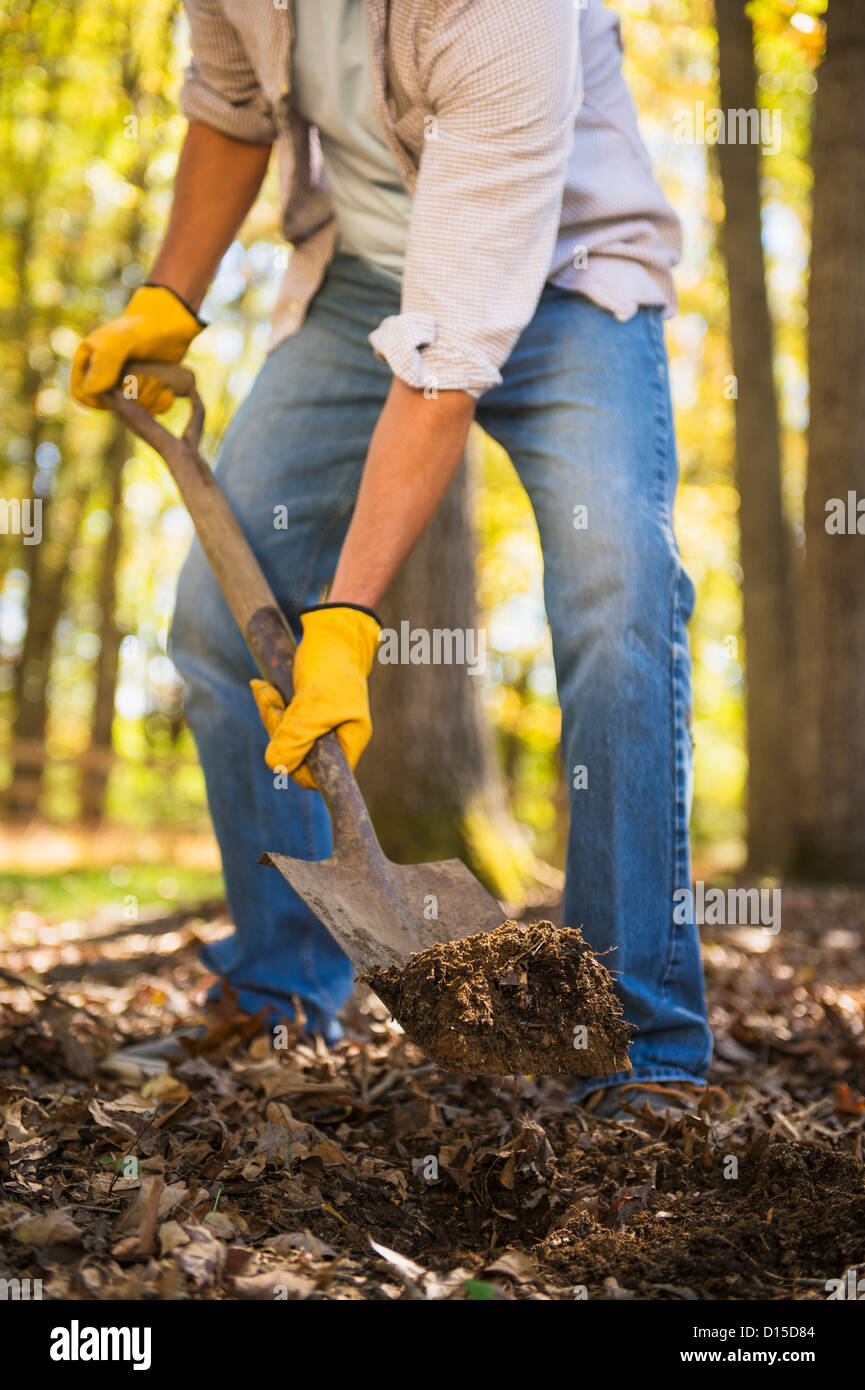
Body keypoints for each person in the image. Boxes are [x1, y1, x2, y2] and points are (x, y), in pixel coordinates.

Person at [71, 0, 712, 1120]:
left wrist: (349, 624)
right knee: (219, 622)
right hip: (367, 276)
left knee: (621, 589)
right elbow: (230, 111)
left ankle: (641, 1046)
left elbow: (447, 358)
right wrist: (168, 298)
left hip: (570, 279)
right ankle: (279, 989)